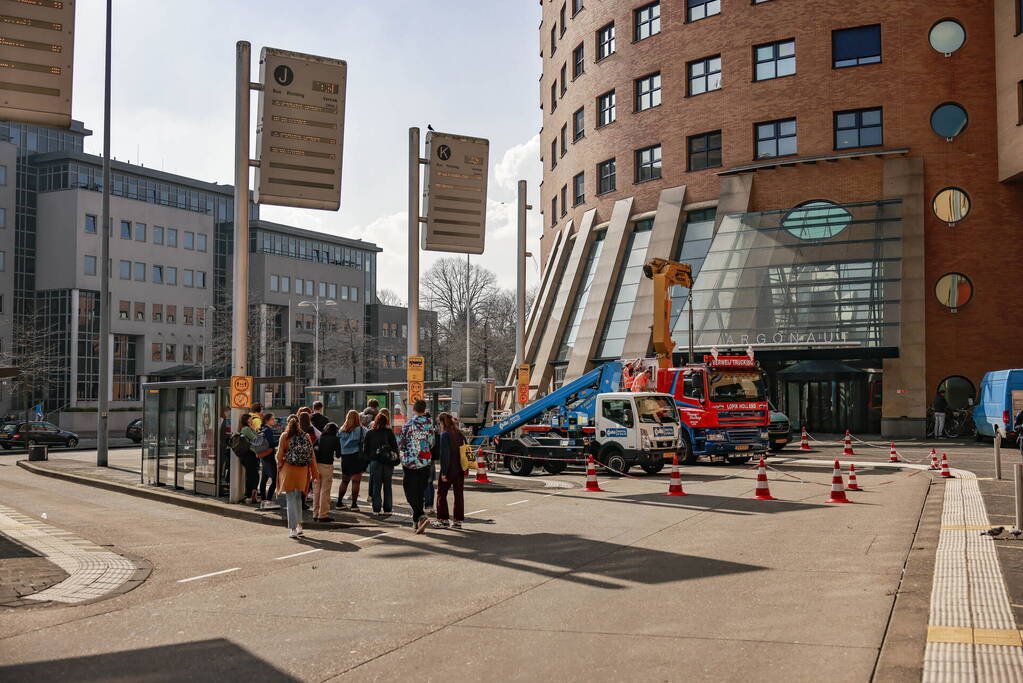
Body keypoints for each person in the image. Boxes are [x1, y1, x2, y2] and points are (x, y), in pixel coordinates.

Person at [276, 415, 319, 538]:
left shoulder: (285, 436)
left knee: (290, 499)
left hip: (289, 470)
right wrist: (315, 473)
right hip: (302, 471)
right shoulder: (305, 436)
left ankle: (293, 529)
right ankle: (299, 526)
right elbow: (312, 456)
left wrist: (280, 466)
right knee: (298, 499)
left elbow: (279, 455)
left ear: (288, 424)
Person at [398, 399, 434, 534]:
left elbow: (401, 443)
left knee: (409, 491)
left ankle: (420, 515)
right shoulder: (429, 424)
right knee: (420, 491)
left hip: (410, 462)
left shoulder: (408, 425)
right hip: (424, 462)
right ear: (424, 410)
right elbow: (431, 442)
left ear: (414, 409)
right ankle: (417, 521)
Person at [433, 413, 467, 529]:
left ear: (442, 422)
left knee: (441, 493)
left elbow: (445, 455)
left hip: (449, 468)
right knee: (458, 494)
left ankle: (443, 520)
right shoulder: (459, 434)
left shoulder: (445, 435)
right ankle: (457, 521)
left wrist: (443, 473)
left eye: (439, 423)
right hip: (460, 468)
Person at [364, 412, 399, 515]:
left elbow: (365, 449)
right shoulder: (389, 432)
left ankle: (376, 509)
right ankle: (387, 509)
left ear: (376, 421)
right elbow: (395, 447)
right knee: (388, 486)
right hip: (388, 462)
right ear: (386, 422)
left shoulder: (370, 433)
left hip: (375, 462)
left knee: (376, 485)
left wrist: (370, 459)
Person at [335, 410, 367, 511]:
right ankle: (354, 504)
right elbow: (367, 439)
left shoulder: (341, 430)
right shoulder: (361, 429)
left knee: (344, 481)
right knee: (356, 482)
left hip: (345, 458)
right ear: (358, 418)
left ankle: (339, 502)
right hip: (357, 457)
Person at [312, 422, 341, 521]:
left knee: (316, 490)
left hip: (316, 466)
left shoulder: (320, 438)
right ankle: (323, 514)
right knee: (325, 491)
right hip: (327, 466)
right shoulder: (335, 439)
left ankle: (315, 513)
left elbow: (313, 449)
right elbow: (338, 454)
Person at [236, 413, 260, 504]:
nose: (252, 421)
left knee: (251, 474)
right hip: (249, 455)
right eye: (250, 420)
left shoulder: (245, 429)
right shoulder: (246, 429)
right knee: (253, 475)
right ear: (246, 421)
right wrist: (254, 429)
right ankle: (251, 494)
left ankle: (251, 494)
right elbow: (255, 439)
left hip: (248, 455)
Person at [257, 413, 280, 504]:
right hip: (269, 457)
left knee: (264, 479)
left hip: (263, 456)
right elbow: (271, 443)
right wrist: (280, 441)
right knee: (275, 480)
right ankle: (269, 500)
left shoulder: (262, 429)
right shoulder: (268, 430)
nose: (274, 421)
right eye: (272, 419)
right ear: (267, 420)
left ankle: (263, 499)